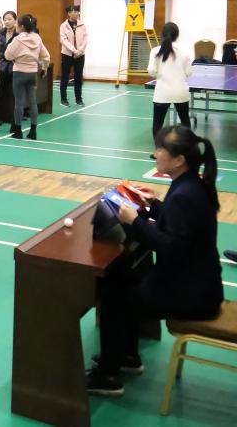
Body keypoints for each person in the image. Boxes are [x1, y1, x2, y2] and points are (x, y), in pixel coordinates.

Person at [87, 125, 224, 396]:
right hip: (199, 284)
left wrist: (134, 221)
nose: (155, 154)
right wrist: (152, 205)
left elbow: (169, 245)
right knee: (126, 281)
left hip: (192, 295)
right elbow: (179, 228)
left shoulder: (184, 195)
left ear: (179, 159)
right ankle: (127, 357)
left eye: (161, 149)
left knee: (114, 298)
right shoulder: (191, 185)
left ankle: (109, 376)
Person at [148, 22, 193, 154]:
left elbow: (151, 71)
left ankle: (158, 151)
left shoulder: (155, 51)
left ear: (162, 34)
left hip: (162, 93)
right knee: (185, 120)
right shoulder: (185, 52)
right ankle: (186, 150)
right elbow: (189, 73)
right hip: (181, 92)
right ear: (177, 35)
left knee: (158, 123)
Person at [4, 14, 50, 140]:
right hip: (32, 73)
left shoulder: (18, 39)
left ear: (22, 27)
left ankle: (18, 131)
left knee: (19, 103)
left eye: (17, 24)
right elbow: (46, 56)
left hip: (19, 72)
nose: (16, 26)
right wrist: (44, 68)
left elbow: (7, 55)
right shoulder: (37, 38)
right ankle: (33, 131)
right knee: (33, 102)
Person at [59, 5, 87, 107]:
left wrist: (80, 50)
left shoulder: (82, 25)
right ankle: (63, 99)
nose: (76, 13)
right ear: (69, 13)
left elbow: (85, 39)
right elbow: (63, 40)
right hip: (67, 54)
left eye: (77, 11)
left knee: (78, 77)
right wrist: (74, 50)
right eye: (74, 11)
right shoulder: (63, 26)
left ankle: (78, 99)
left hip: (80, 54)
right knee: (65, 77)